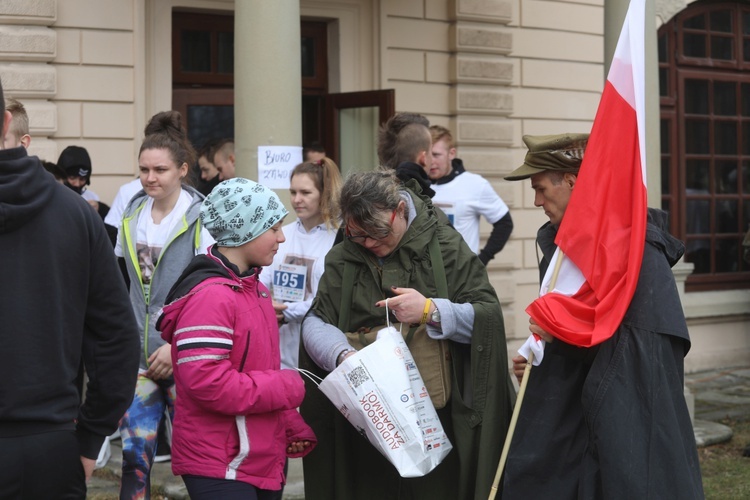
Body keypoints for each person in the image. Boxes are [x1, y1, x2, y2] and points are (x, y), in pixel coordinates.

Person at [502, 133, 704, 499]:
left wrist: (562, 339)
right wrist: (543, 356)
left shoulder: (638, 253)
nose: (536, 201)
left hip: (615, 442)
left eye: (542, 188)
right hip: (565, 432)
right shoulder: (560, 241)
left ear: (573, 180)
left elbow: (638, 366)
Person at [299, 171, 514, 499]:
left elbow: (487, 318)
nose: (371, 244)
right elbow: (315, 321)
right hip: (367, 427)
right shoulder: (344, 256)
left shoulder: (444, 245)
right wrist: (343, 354)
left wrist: (431, 310)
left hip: (436, 425)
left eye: (379, 233)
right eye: (359, 235)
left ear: (400, 210)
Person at [0, 78, 140, 498]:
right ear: (7, 121)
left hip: (50, 440)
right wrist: (90, 436)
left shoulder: (74, 215)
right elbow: (117, 338)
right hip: (50, 448)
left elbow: (116, 337)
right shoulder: (76, 215)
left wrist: (90, 434)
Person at [157, 177, 316, 499]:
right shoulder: (211, 298)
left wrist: (287, 423)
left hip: (258, 454)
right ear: (246, 231)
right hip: (219, 461)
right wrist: (287, 387)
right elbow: (207, 382)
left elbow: (261, 368)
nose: (282, 237)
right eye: (273, 228)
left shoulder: (255, 288)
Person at [115, 110, 214, 500]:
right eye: (144, 169)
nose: (150, 177)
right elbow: (122, 283)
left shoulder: (201, 218)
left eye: (160, 169)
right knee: (134, 459)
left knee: (196, 462)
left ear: (182, 170)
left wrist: (176, 346)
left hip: (185, 358)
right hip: (138, 359)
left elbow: (208, 291)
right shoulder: (132, 213)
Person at [260, 157, 342, 369]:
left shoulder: (338, 239)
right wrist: (265, 306)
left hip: (322, 346)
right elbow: (261, 279)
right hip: (281, 345)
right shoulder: (281, 234)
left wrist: (286, 312)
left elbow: (331, 298)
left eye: (305, 193)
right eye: (293, 192)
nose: (297, 199)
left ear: (324, 194)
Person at [429, 125, 513, 265]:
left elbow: (504, 224)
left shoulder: (475, 184)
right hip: (425, 276)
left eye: (436, 155)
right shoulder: (417, 184)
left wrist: (481, 260)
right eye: (427, 154)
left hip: (461, 277)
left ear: (451, 153)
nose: (431, 161)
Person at [377, 112, 435, 197]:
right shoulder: (416, 203)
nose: (433, 160)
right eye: (431, 152)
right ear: (423, 158)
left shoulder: (373, 197)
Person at [57, 145, 102, 211]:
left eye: (82, 179)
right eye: (72, 178)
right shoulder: (51, 196)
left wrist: (100, 209)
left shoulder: (92, 197)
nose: (77, 184)